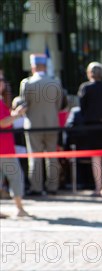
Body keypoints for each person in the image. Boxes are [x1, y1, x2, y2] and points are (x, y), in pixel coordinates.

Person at [19, 54, 63, 196]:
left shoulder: (27, 83)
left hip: (33, 125)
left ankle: (36, 187)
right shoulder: (55, 82)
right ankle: (53, 187)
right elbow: (59, 104)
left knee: (35, 157)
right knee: (52, 156)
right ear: (44, 66)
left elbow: (25, 104)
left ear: (33, 67)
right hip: (52, 124)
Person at [78, 62, 102, 196]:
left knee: (96, 157)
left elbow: (81, 108)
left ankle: (99, 186)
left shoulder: (85, 88)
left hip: (92, 126)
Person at [0, 72, 29, 217]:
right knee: (16, 177)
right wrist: (17, 114)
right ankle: (20, 209)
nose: (2, 83)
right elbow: (3, 123)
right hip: (3, 149)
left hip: (5, 148)